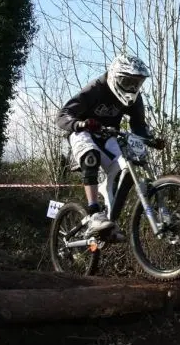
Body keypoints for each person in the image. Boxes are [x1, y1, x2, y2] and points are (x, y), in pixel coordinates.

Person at [56, 54, 164, 238]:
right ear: (114, 76)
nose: (131, 87)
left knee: (127, 168)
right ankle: (94, 213)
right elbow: (63, 115)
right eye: (127, 81)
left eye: (136, 83)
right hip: (82, 132)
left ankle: (110, 220)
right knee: (91, 157)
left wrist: (150, 139)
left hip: (108, 135)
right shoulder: (96, 88)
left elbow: (138, 126)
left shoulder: (134, 99)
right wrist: (80, 124)